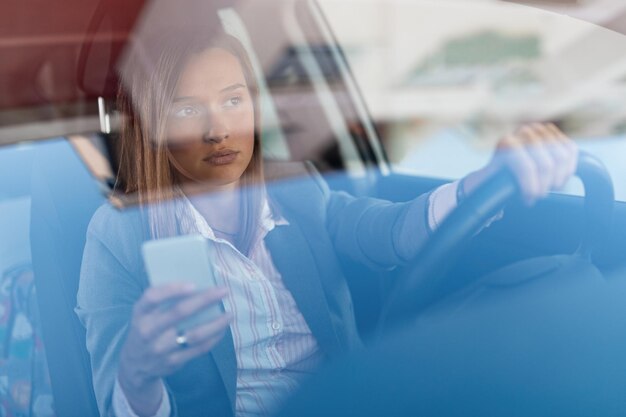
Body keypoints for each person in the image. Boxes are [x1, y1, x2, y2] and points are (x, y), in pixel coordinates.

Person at [75, 31, 577, 417]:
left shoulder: (295, 185)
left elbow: (387, 230)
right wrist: (138, 373)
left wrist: (476, 188)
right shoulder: (119, 233)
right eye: (187, 110)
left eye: (233, 100)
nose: (218, 129)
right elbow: (117, 404)